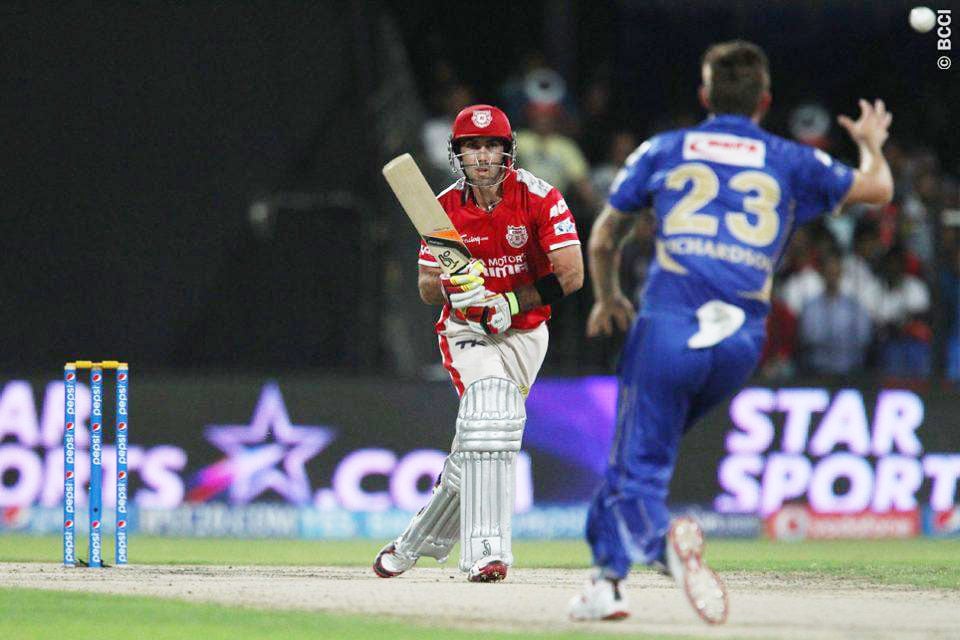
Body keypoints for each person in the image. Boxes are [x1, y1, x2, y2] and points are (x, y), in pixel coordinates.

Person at [569, 40, 893, 623]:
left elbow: (603, 236)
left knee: (635, 465)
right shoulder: (791, 159)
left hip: (671, 324)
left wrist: (609, 296)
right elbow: (880, 190)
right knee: (629, 458)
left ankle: (662, 547)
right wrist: (871, 144)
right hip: (742, 341)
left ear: (704, 95)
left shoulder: (664, 149)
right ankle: (604, 583)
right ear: (764, 101)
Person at [373, 104, 584, 582]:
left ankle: (415, 541)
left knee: (484, 438)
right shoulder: (443, 207)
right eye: (473, 146)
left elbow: (570, 274)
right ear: (458, 154)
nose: (483, 156)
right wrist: (458, 281)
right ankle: (487, 551)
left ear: (508, 151)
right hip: (467, 331)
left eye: (492, 146)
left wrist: (509, 301)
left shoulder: (539, 197)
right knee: (490, 414)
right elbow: (427, 288)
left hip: (526, 331)